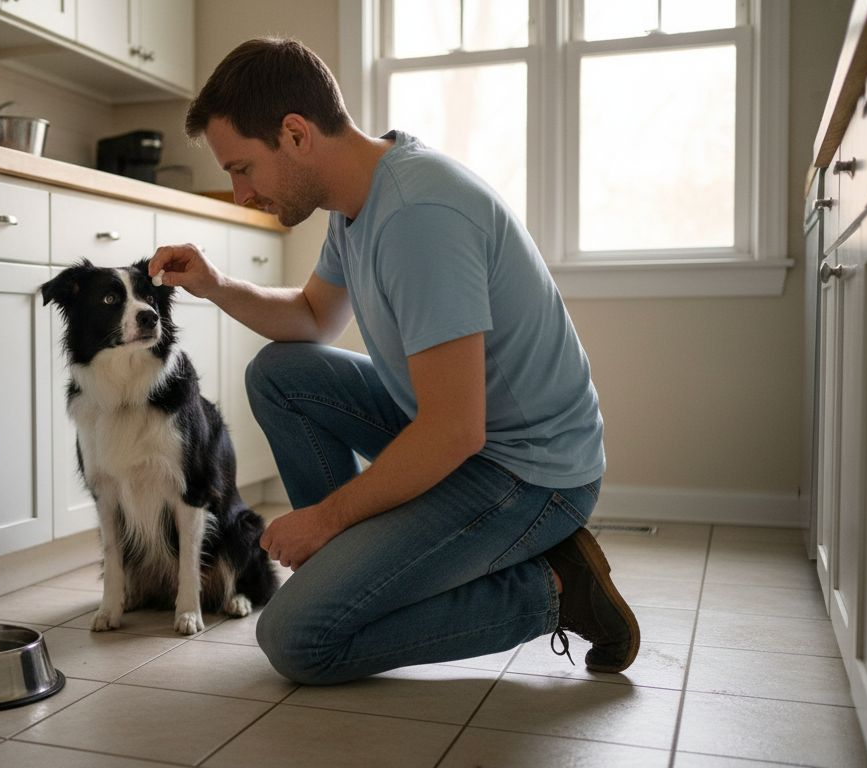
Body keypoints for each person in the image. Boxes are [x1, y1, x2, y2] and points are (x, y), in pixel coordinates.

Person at [147, 37, 638, 685]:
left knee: (298, 641)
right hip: (467, 438)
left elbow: (455, 430)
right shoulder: (356, 200)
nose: (240, 194)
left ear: (295, 135)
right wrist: (214, 286)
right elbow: (312, 318)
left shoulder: (417, 215)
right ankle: (356, 570)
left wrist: (325, 519)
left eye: (242, 168)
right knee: (280, 374)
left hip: (532, 474)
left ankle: (555, 590)